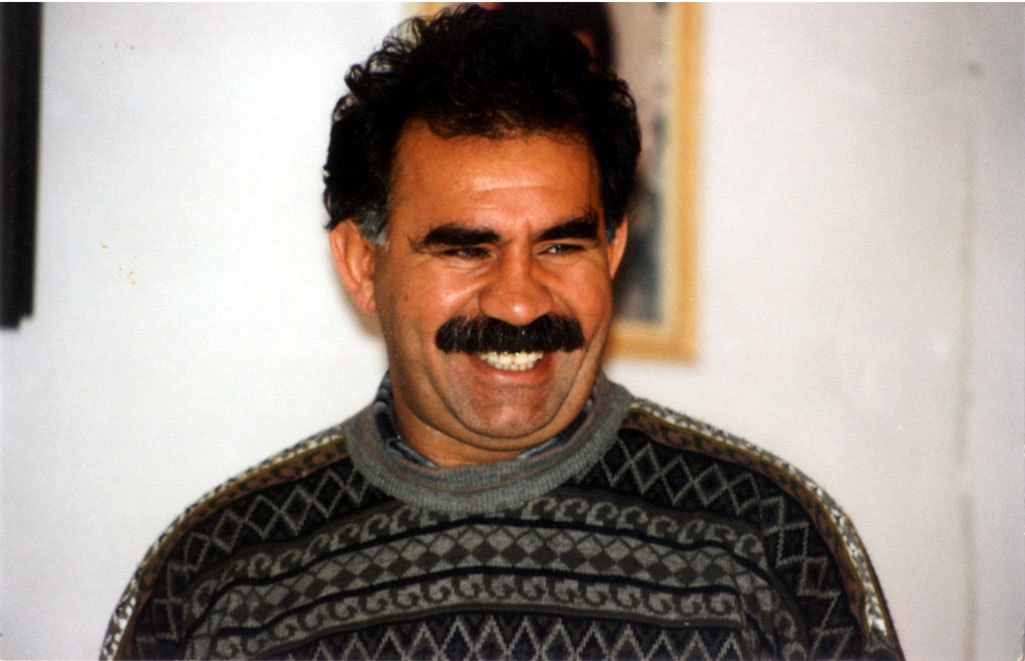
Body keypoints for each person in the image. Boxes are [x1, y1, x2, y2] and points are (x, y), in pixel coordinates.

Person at [101, 6, 902, 659]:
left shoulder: (768, 548)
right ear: (362, 262)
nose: (519, 303)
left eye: (560, 245)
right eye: (464, 248)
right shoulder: (221, 580)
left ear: (613, 248)